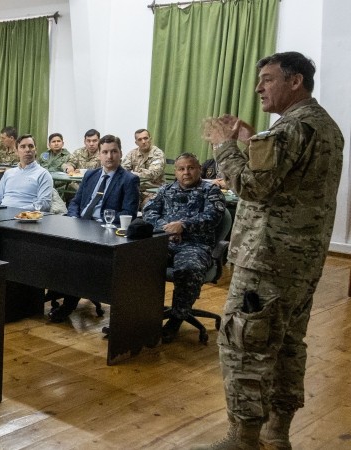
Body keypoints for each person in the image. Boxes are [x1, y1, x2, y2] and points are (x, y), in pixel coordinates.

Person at [195, 51, 344, 450]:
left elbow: (253, 186)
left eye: (267, 79)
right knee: (288, 346)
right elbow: (286, 174)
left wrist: (224, 146)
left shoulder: (287, 131)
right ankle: (277, 433)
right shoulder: (325, 126)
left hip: (267, 262)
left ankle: (242, 439)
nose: (259, 87)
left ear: (295, 82)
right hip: (303, 263)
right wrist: (249, 139)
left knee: (245, 347)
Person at [49, 134, 140, 322]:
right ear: (99, 155)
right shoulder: (91, 175)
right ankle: (53, 288)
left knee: (78, 256)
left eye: (114, 151)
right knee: (49, 246)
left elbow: (128, 213)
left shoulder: (129, 179)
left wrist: (100, 224)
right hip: (78, 224)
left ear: (120, 153)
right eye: (105, 152)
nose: (109, 156)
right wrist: (72, 218)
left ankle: (69, 303)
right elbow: (75, 202)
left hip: (103, 231)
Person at [142, 153, 224, 343]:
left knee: (187, 269)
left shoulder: (210, 190)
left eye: (191, 168)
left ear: (199, 169)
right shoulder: (165, 189)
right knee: (134, 260)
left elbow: (214, 215)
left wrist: (184, 225)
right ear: (176, 172)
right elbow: (149, 211)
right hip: (164, 241)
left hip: (196, 245)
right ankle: (139, 314)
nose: (186, 172)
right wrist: (167, 227)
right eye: (181, 169)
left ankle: (176, 319)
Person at [0, 134, 53, 211]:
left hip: (26, 218)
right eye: (23, 147)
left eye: (31, 146)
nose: (27, 150)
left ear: (36, 150)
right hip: (1, 215)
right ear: (16, 151)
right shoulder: (9, 173)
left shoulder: (43, 174)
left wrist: (18, 211)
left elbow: (44, 203)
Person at [121, 128, 165, 207]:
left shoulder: (158, 153)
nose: (143, 142)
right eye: (140, 139)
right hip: (136, 190)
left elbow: (153, 174)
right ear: (136, 142)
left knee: (147, 206)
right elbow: (122, 171)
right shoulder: (132, 154)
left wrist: (133, 174)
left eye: (145, 138)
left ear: (150, 139)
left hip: (154, 190)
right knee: (123, 204)